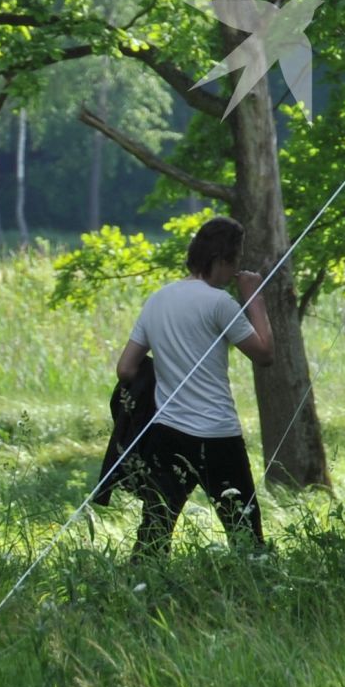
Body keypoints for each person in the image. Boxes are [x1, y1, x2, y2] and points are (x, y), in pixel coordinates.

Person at [116, 215, 275, 557]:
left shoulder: (157, 299)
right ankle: (257, 595)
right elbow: (264, 354)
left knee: (154, 534)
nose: (235, 271)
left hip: (167, 432)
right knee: (245, 534)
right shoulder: (219, 303)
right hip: (217, 435)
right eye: (235, 260)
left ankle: (140, 593)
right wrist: (255, 300)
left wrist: (167, 369)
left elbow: (126, 369)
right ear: (221, 259)